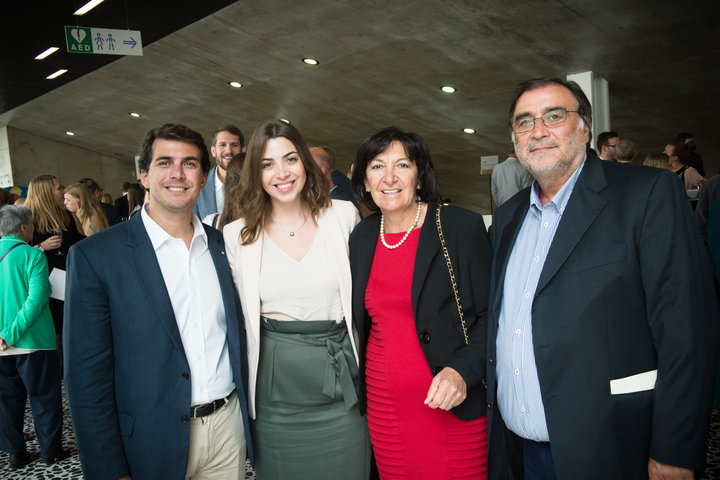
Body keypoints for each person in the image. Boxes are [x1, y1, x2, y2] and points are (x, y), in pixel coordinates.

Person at [487, 76, 719, 480]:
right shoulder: (508, 218)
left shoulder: (647, 194)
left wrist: (675, 450)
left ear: (585, 127)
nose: (537, 131)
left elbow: (687, 330)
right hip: (519, 453)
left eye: (553, 116)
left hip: (613, 450)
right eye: (524, 122)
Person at [64, 123, 253, 480]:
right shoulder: (97, 257)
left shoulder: (224, 245)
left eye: (190, 164)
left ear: (202, 178)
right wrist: (108, 469)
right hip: (149, 440)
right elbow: (86, 377)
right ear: (145, 176)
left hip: (227, 430)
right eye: (165, 162)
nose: (177, 174)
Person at [223, 120, 370, 479]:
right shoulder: (236, 235)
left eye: (290, 159)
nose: (282, 173)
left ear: (305, 162)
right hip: (275, 394)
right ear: (255, 172)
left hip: (342, 386)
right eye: (267, 164)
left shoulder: (343, 217)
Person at [349, 126, 490, 479]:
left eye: (403, 165)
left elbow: (493, 316)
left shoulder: (460, 227)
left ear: (420, 177)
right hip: (387, 407)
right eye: (377, 166)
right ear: (365, 181)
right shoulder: (363, 236)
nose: (390, 177)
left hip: (453, 403)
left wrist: (463, 371)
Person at [0, 205, 65, 469]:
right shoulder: (33, 256)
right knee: (44, 396)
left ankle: (16, 453)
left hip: (1, 346)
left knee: (6, 401)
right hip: (34, 342)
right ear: (24, 228)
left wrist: (3, 338)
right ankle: (50, 451)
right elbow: (36, 300)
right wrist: (12, 334)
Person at [24, 175, 84, 339]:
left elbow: (78, 240)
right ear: (46, 192)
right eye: (58, 188)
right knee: (53, 329)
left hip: (68, 278)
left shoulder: (66, 215)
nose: (63, 191)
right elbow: (20, 253)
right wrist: (41, 247)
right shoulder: (28, 219)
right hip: (43, 281)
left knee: (71, 327)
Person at [194, 125, 245, 221]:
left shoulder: (254, 182)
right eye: (222, 145)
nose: (228, 151)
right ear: (213, 151)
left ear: (243, 150)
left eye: (234, 145)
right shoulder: (198, 184)